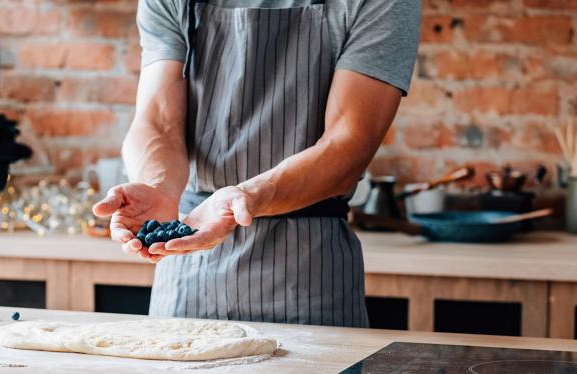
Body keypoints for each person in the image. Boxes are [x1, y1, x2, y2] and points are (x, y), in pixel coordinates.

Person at [93, 0, 420, 326]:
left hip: (311, 279)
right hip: (188, 264)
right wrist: (158, 186)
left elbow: (349, 144)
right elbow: (158, 121)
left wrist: (248, 196)